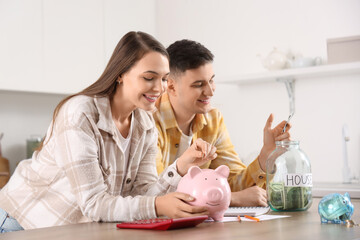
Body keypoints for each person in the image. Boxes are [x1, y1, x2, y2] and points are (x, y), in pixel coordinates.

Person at [0, 32, 216, 232]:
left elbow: (142, 194)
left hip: (68, 229)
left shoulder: (145, 124)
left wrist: (179, 168)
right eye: (149, 78)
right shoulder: (81, 113)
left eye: (163, 79)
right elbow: (94, 203)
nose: (159, 89)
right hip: (19, 222)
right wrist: (158, 205)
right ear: (120, 74)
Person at [153, 39, 291, 207]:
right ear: (171, 87)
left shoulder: (213, 119)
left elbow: (232, 182)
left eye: (211, 80)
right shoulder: (149, 120)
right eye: (199, 84)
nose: (210, 91)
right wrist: (232, 198)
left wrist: (266, 155)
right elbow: (155, 193)